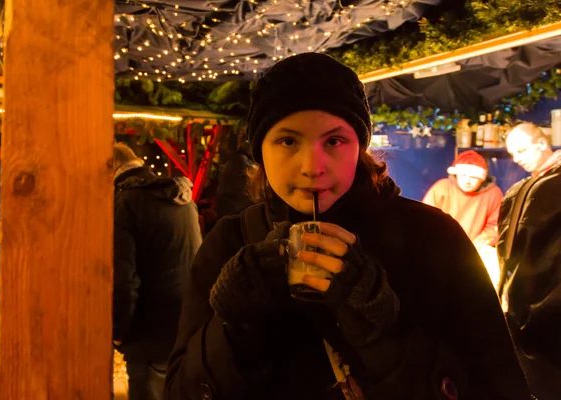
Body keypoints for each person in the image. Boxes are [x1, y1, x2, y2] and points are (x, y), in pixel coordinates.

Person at [164, 53, 530, 400]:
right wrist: (233, 328)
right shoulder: (230, 241)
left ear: (360, 147)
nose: (312, 166)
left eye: (334, 140)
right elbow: (180, 391)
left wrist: (380, 329)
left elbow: (495, 384)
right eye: (288, 140)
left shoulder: (433, 238)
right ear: (261, 151)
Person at [113, 143, 202, 400]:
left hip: (149, 335)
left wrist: (118, 331)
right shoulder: (178, 195)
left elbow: (123, 283)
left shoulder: (125, 203)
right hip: (187, 325)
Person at [498, 122, 561, 400]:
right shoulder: (521, 188)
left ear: (541, 143)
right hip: (526, 308)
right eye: (512, 154)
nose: (517, 158)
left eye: (522, 150)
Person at [423, 150, 503, 287]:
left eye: (473, 177)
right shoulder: (442, 187)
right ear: (456, 174)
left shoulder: (493, 193)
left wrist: (476, 245)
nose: (467, 180)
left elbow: (494, 227)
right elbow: (425, 220)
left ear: (482, 178)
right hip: (442, 247)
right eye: (464, 175)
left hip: (477, 249)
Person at [216, 134, 257, 219]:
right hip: (236, 211)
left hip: (230, 210)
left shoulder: (236, 161)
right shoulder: (241, 163)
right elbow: (245, 192)